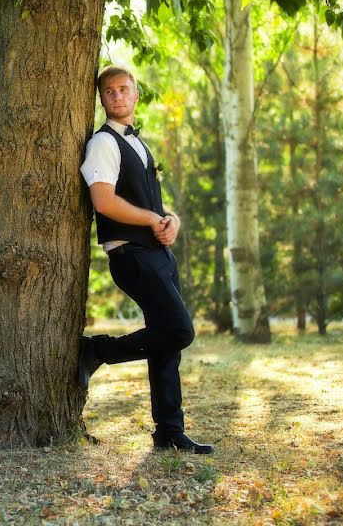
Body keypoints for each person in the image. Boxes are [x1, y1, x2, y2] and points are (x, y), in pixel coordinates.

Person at [78, 65, 214, 454]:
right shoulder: (102, 143)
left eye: (124, 90)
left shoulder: (140, 143)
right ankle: (98, 349)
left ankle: (169, 432)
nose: (118, 97)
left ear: (136, 95)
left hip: (159, 254)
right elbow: (104, 201)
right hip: (131, 255)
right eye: (109, 92)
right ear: (102, 99)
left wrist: (171, 219)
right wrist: (153, 219)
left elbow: (148, 203)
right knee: (179, 331)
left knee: (166, 344)